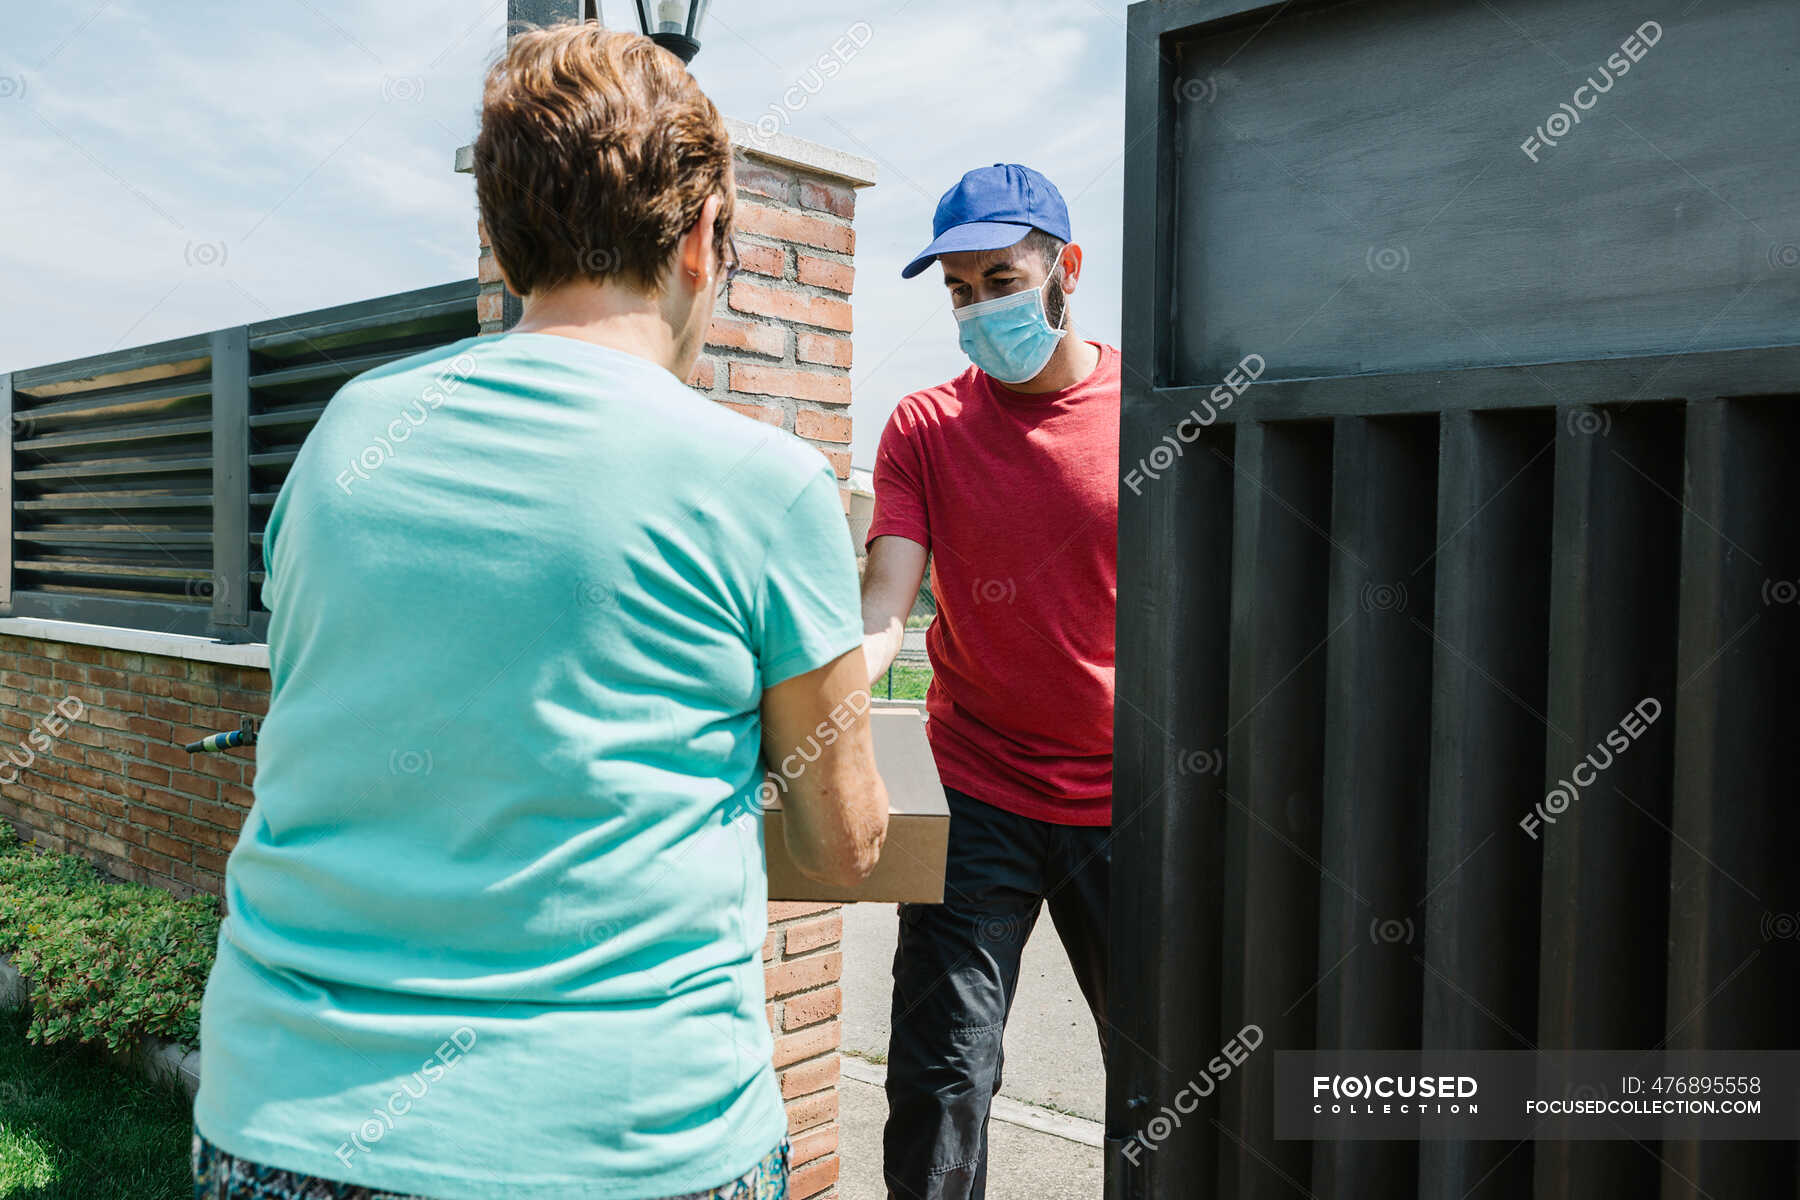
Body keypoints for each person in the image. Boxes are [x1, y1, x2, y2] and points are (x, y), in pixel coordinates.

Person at [191, 23, 887, 1200]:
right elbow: (841, 845)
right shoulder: (762, 484)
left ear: (504, 245)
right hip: (628, 1147)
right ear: (708, 240)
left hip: (281, 1122)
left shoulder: (343, 438)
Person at [861, 164, 1119, 1199]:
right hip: (979, 790)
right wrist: (826, 697)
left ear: (1066, 269)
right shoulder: (925, 427)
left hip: (1131, 792)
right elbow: (887, 604)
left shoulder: (1150, 414)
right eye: (959, 290)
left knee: (1168, 1082)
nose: (978, 308)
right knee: (941, 1082)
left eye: (1000, 279)